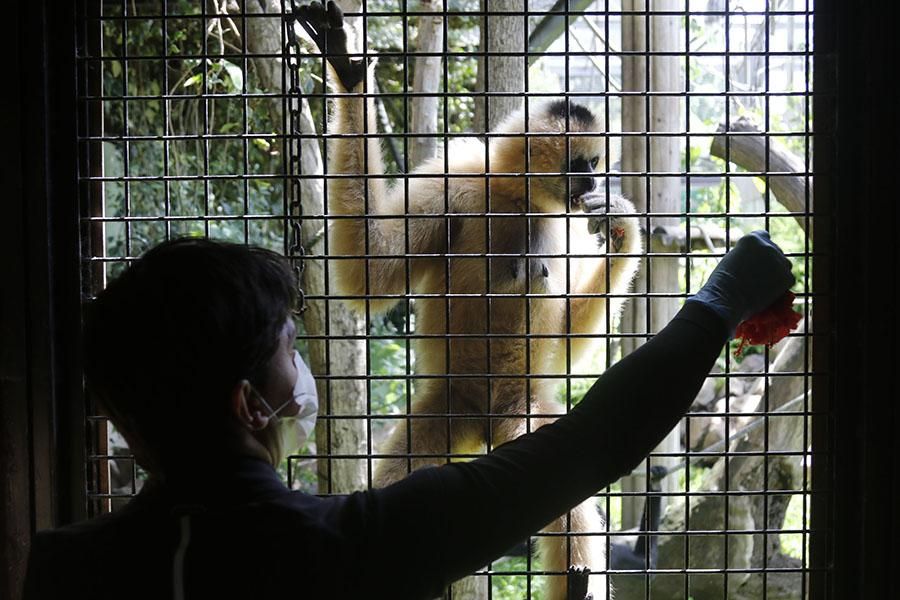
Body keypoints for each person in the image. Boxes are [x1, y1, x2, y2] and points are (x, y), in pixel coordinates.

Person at [23, 231, 794, 599]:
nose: (306, 371)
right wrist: (723, 296)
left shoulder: (65, 570)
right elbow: (596, 442)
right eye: (292, 351)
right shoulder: (354, 549)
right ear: (250, 405)